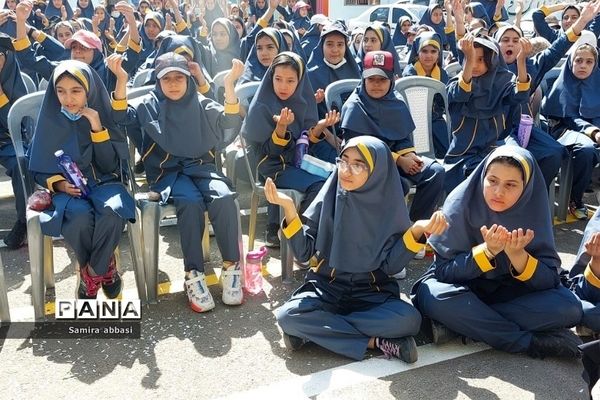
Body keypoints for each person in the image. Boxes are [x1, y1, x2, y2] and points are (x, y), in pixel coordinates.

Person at [270, 135, 448, 361]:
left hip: (372, 293)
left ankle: (317, 333)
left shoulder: (389, 208)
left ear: (377, 171)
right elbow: (304, 253)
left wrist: (416, 231)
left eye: (357, 165)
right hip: (327, 288)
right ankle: (376, 341)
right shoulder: (332, 197)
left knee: (409, 320)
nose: (346, 170)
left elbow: (391, 266)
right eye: (343, 161)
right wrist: (289, 209)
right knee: (288, 316)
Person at [413, 145, 584, 358]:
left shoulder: (533, 210)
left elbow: (549, 280)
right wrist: (487, 251)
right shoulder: (461, 203)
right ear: (483, 176)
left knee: (569, 308)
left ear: (527, 187)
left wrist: (518, 256)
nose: (498, 192)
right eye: (492, 181)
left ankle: (461, 326)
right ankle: (528, 342)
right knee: (435, 296)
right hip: (463, 290)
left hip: (510, 294)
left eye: (510, 185)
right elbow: (444, 273)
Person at [110, 52, 245, 311]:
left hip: (202, 169)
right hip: (168, 174)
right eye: (166, 79)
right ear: (158, 82)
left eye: (179, 78)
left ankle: (231, 267)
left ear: (188, 80)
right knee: (190, 202)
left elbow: (229, 120)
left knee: (225, 197)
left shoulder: (201, 102)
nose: (173, 84)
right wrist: (121, 80)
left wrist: (229, 85)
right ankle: (193, 274)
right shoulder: (149, 105)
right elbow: (119, 117)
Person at [28, 60, 135, 299]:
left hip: (105, 182)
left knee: (113, 210)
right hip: (68, 191)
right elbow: (38, 168)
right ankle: (106, 268)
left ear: (89, 91)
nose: (68, 99)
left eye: (76, 91)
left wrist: (96, 127)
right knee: (78, 217)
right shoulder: (50, 119)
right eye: (61, 91)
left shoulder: (100, 115)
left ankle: (91, 274)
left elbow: (109, 165)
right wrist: (59, 184)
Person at [241, 52, 338, 247]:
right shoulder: (262, 105)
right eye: (278, 79)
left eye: (290, 81)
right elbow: (268, 154)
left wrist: (319, 127)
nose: (283, 86)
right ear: (271, 78)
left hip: (298, 162)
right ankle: (300, 238)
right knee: (319, 185)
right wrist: (281, 129)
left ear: (300, 81)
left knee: (337, 179)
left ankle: (318, 233)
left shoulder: (302, 101)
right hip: (272, 166)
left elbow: (305, 142)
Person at [343, 50, 445, 225]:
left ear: (392, 80)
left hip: (397, 163)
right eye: (371, 79)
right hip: (369, 167)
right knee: (396, 184)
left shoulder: (396, 100)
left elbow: (403, 137)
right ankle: (390, 234)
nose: (376, 85)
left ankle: (415, 226)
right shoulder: (354, 107)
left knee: (435, 172)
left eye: (382, 79)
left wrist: (410, 155)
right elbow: (360, 152)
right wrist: (399, 161)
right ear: (363, 79)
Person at [443, 34, 530, 193]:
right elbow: (461, 93)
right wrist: (468, 60)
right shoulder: (457, 82)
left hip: (494, 148)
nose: (475, 65)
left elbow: (521, 95)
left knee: (517, 167)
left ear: (492, 60)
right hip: (462, 152)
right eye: (471, 59)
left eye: (481, 59)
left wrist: (521, 61)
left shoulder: (503, 80)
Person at [541, 41, 600, 220]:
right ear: (571, 62)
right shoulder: (563, 83)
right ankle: (576, 199)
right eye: (578, 60)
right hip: (564, 129)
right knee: (586, 149)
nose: (583, 65)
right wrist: (593, 131)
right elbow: (568, 117)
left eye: (589, 62)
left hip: (595, 130)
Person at [306, 22, 360, 163]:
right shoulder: (311, 75)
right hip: (322, 138)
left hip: (354, 136)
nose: (335, 49)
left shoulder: (356, 72)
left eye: (340, 44)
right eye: (329, 44)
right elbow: (308, 117)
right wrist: (332, 138)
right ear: (321, 45)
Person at [402, 31, 450, 159]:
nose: (429, 55)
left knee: (447, 151)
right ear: (417, 52)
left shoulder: (442, 74)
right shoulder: (410, 72)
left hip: (436, 121)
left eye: (433, 51)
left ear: (439, 53)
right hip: (412, 121)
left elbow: (444, 103)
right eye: (424, 51)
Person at [0, 43, 29, 249]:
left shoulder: (15, 81)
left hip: (8, 141)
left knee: (22, 163)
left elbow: (14, 124)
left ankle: (24, 221)